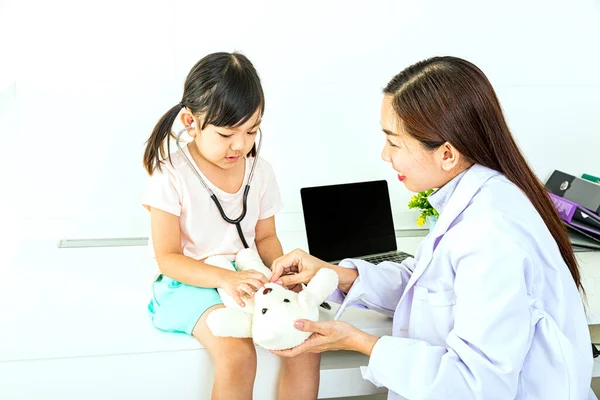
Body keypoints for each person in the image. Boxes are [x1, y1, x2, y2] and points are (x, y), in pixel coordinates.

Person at [269, 56, 594, 399]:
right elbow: (428, 285)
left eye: (394, 142)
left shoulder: (490, 235)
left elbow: (478, 385)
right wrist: (335, 274)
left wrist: (360, 342)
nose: (385, 154)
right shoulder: (477, 197)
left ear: (447, 155)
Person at [142, 52, 320, 400]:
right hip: (189, 283)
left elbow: (265, 236)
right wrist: (224, 278)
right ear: (190, 121)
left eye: (251, 130)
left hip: (245, 277)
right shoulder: (171, 174)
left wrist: (280, 274)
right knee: (237, 353)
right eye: (226, 133)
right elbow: (167, 258)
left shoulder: (261, 171)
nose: (240, 144)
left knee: (305, 340)